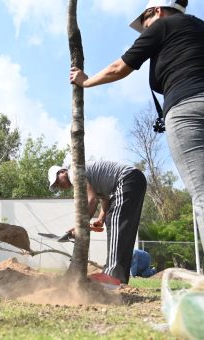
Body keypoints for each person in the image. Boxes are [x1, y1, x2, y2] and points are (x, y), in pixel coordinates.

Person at [70, 0, 204, 251]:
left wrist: (85, 82)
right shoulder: (199, 27)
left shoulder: (162, 26)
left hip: (187, 111)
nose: (145, 31)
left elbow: (119, 68)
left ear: (157, 11)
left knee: (202, 191)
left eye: (144, 24)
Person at [48, 161, 147, 286]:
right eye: (56, 186)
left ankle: (112, 276)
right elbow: (104, 198)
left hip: (127, 179)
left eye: (57, 182)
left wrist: (80, 226)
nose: (59, 186)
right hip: (134, 180)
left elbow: (92, 200)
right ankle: (118, 278)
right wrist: (100, 218)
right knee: (120, 225)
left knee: (114, 220)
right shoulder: (87, 178)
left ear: (62, 172)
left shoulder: (74, 173)